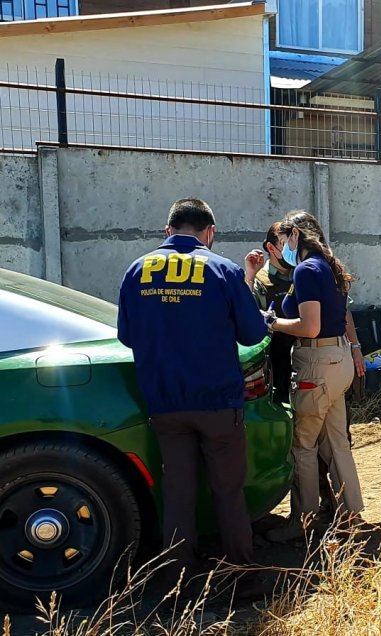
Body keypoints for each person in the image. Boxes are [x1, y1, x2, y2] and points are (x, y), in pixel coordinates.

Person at [116, 198, 267, 596]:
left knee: (178, 493)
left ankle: (177, 580)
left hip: (166, 403)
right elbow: (253, 334)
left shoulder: (137, 270)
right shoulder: (223, 270)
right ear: (209, 232)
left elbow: (126, 337)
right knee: (228, 491)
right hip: (218, 402)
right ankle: (241, 576)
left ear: (168, 231)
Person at [262, 213, 365, 540]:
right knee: (337, 444)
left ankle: (302, 522)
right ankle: (350, 516)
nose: (283, 247)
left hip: (316, 363)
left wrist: (271, 322)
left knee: (302, 445)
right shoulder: (329, 267)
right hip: (338, 359)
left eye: (285, 239)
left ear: (295, 236)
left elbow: (309, 326)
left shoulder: (306, 270)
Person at [248, 222, 294, 404]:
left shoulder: (304, 273)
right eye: (285, 244)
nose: (291, 250)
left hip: (306, 362)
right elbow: (247, 317)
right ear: (270, 248)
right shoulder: (259, 281)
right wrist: (250, 277)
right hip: (275, 365)